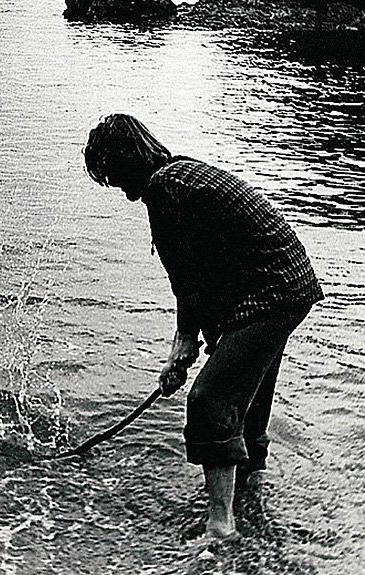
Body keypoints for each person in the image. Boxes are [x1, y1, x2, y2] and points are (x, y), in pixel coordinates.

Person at [83, 114, 324, 540]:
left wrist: (183, 344)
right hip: (289, 284)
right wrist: (197, 345)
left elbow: (187, 281)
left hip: (272, 291)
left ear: (127, 162)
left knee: (210, 399)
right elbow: (210, 268)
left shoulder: (164, 189)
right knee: (245, 402)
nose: (121, 191)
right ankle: (253, 500)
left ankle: (220, 525)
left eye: (115, 176)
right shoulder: (183, 173)